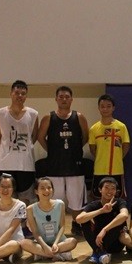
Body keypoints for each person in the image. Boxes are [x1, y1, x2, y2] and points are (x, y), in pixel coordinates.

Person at [37, 86, 89, 236]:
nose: (64, 99)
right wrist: (52, 151)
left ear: (71, 99)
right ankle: (54, 227)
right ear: (56, 99)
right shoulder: (48, 117)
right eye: (61, 97)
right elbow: (40, 137)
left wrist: (75, 150)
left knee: (76, 200)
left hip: (75, 166)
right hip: (55, 167)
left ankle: (77, 224)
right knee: (54, 200)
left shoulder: (79, 117)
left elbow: (85, 137)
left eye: (67, 97)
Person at [0, 80, 38, 237]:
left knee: (25, 199)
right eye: (17, 92)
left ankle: (24, 227)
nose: (20, 96)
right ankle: (6, 228)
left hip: (25, 164)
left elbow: (34, 137)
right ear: (11, 93)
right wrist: (9, 151)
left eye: (23, 93)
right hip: (5, 164)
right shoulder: (0, 113)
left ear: (26, 95)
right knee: (7, 198)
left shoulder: (33, 114)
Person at [75, 177, 132, 264]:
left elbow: (124, 215)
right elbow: (78, 219)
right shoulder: (94, 204)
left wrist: (104, 229)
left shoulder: (119, 202)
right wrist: (101, 211)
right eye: (106, 187)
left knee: (119, 222)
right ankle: (101, 252)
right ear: (100, 189)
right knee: (85, 222)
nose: (110, 191)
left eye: (113, 188)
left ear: (116, 191)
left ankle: (97, 252)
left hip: (115, 242)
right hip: (99, 241)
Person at [20, 177, 78, 262]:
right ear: (36, 191)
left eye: (49, 188)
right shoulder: (30, 209)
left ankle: (42, 254)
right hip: (41, 242)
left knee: (73, 241)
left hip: (59, 242)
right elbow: (35, 232)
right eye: (42, 188)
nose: (46, 191)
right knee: (23, 243)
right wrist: (44, 246)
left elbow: (62, 227)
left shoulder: (60, 204)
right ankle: (57, 254)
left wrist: (55, 243)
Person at [89, 94, 130, 199]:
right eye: (102, 106)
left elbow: (126, 145)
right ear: (98, 108)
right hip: (99, 169)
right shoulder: (94, 129)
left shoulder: (121, 126)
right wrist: (101, 157)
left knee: (117, 198)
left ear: (113, 108)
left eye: (108, 106)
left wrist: (118, 158)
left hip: (117, 169)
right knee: (99, 198)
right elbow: (92, 148)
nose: (105, 109)